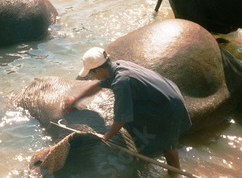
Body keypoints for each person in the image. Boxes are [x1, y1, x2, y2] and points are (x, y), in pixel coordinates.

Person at [63, 47, 192, 171]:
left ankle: (175, 174)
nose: (92, 76)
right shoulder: (118, 66)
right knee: (141, 124)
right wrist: (75, 100)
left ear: (98, 71)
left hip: (169, 106)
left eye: (91, 73)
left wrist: (105, 137)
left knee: (169, 146)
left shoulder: (121, 82)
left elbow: (120, 118)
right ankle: (149, 149)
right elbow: (97, 86)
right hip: (167, 94)